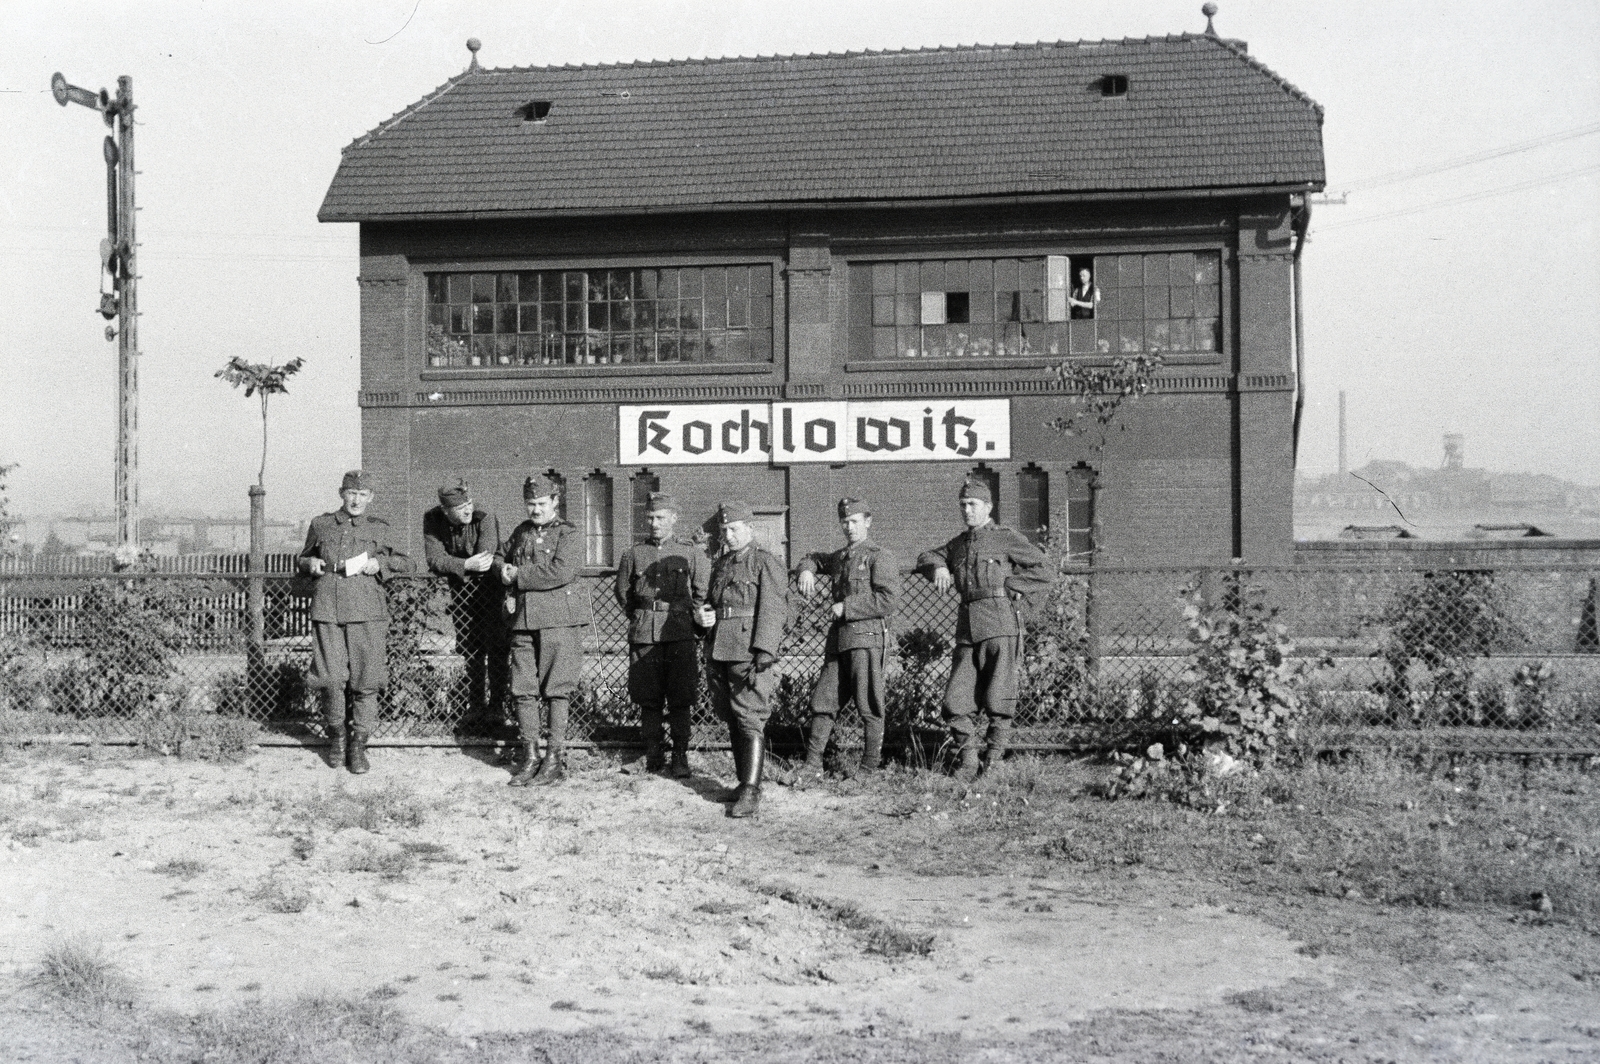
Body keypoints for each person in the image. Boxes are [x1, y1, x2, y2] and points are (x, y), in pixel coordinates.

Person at [916, 478, 1051, 782]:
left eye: (973, 504)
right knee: (954, 701)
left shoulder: (1005, 538)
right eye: (963, 505)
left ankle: (993, 761)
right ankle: (968, 760)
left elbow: (1044, 570)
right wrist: (939, 566)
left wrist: (1012, 586)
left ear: (988, 507)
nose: (967, 510)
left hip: (1000, 625)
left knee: (999, 699)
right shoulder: (958, 544)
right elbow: (926, 556)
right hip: (967, 630)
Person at [297, 469, 413, 774]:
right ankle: (337, 738)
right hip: (328, 609)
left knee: (366, 681)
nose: (356, 500)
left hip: (367, 611)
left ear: (371, 497)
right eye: (351, 493)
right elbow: (302, 558)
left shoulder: (380, 528)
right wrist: (309, 563)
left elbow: (407, 562)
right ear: (341, 494)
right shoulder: (321, 524)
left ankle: (359, 745)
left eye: (363, 495)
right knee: (330, 678)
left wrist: (381, 563)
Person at [497, 473, 591, 786]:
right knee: (523, 689)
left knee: (556, 689)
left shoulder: (568, 533)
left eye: (541, 503)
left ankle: (554, 759)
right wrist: (501, 569)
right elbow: (499, 555)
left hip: (558, 621)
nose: (535, 510)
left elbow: (560, 571)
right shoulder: (521, 531)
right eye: (530, 504)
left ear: (555, 501)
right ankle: (530, 756)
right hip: (522, 620)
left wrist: (517, 574)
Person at [795, 497, 899, 778]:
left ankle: (868, 767)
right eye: (844, 522)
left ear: (868, 521)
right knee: (823, 701)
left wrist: (847, 607)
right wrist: (806, 571)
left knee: (869, 705)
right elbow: (812, 557)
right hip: (838, 642)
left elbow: (888, 599)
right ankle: (812, 764)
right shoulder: (840, 557)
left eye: (854, 521)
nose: (849, 527)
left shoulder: (878, 556)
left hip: (866, 640)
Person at [695, 501, 787, 818]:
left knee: (750, 716)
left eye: (734, 529)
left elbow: (773, 610)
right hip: (720, 646)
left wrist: (765, 651)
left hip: (748, 649)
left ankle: (751, 789)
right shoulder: (721, 565)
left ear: (749, 527)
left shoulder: (765, 561)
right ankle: (741, 782)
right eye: (725, 530)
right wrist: (703, 617)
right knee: (731, 715)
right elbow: (711, 603)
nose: (729, 535)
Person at [613, 492, 711, 777]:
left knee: (681, 697)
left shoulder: (689, 552)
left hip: (679, 632)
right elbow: (623, 593)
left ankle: (680, 756)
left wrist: (692, 623)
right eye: (650, 518)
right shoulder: (633, 554)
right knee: (648, 697)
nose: (654, 523)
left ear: (674, 518)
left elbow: (701, 593)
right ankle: (652, 754)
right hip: (644, 634)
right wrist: (641, 616)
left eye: (660, 517)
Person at [421, 480, 508, 739]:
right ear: (446, 510)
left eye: (469, 503)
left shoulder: (484, 516)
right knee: (471, 650)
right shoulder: (433, 519)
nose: (468, 510)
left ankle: (497, 707)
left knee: (497, 649)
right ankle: (476, 706)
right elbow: (434, 559)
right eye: (460, 508)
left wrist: (456, 564)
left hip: (491, 591)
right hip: (461, 593)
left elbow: (485, 559)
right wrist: (464, 565)